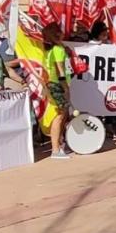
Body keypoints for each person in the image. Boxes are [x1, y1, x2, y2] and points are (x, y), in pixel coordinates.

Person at [42, 22, 71, 160]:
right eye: (60, 31)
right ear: (56, 34)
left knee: (61, 115)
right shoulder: (58, 49)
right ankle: (55, 149)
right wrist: (65, 86)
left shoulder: (48, 49)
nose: (63, 33)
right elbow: (60, 70)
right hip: (57, 84)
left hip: (50, 83)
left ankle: (59, 144)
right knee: (59, 117)